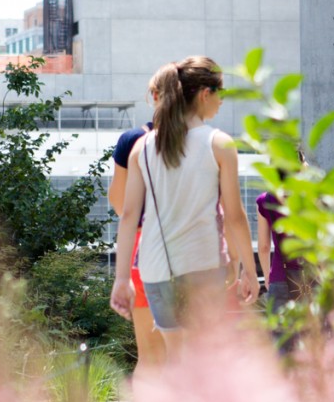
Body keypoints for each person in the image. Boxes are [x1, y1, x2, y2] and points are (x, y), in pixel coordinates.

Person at [110, 56, 257, 354]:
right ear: (205, 94)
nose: (221, 103)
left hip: (154, 269)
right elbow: (235, 217)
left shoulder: (143, 146)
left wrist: (122, 279)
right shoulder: (219, 144)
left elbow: (128, 216)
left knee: (175, 358)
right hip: (203, 265)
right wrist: (248, 270)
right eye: (221, 95)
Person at [108, 121, 167, 376]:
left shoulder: (133, 140)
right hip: (188, 248)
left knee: (149, 355)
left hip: (143, 246)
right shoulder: (201, 139)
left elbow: (121, 205)